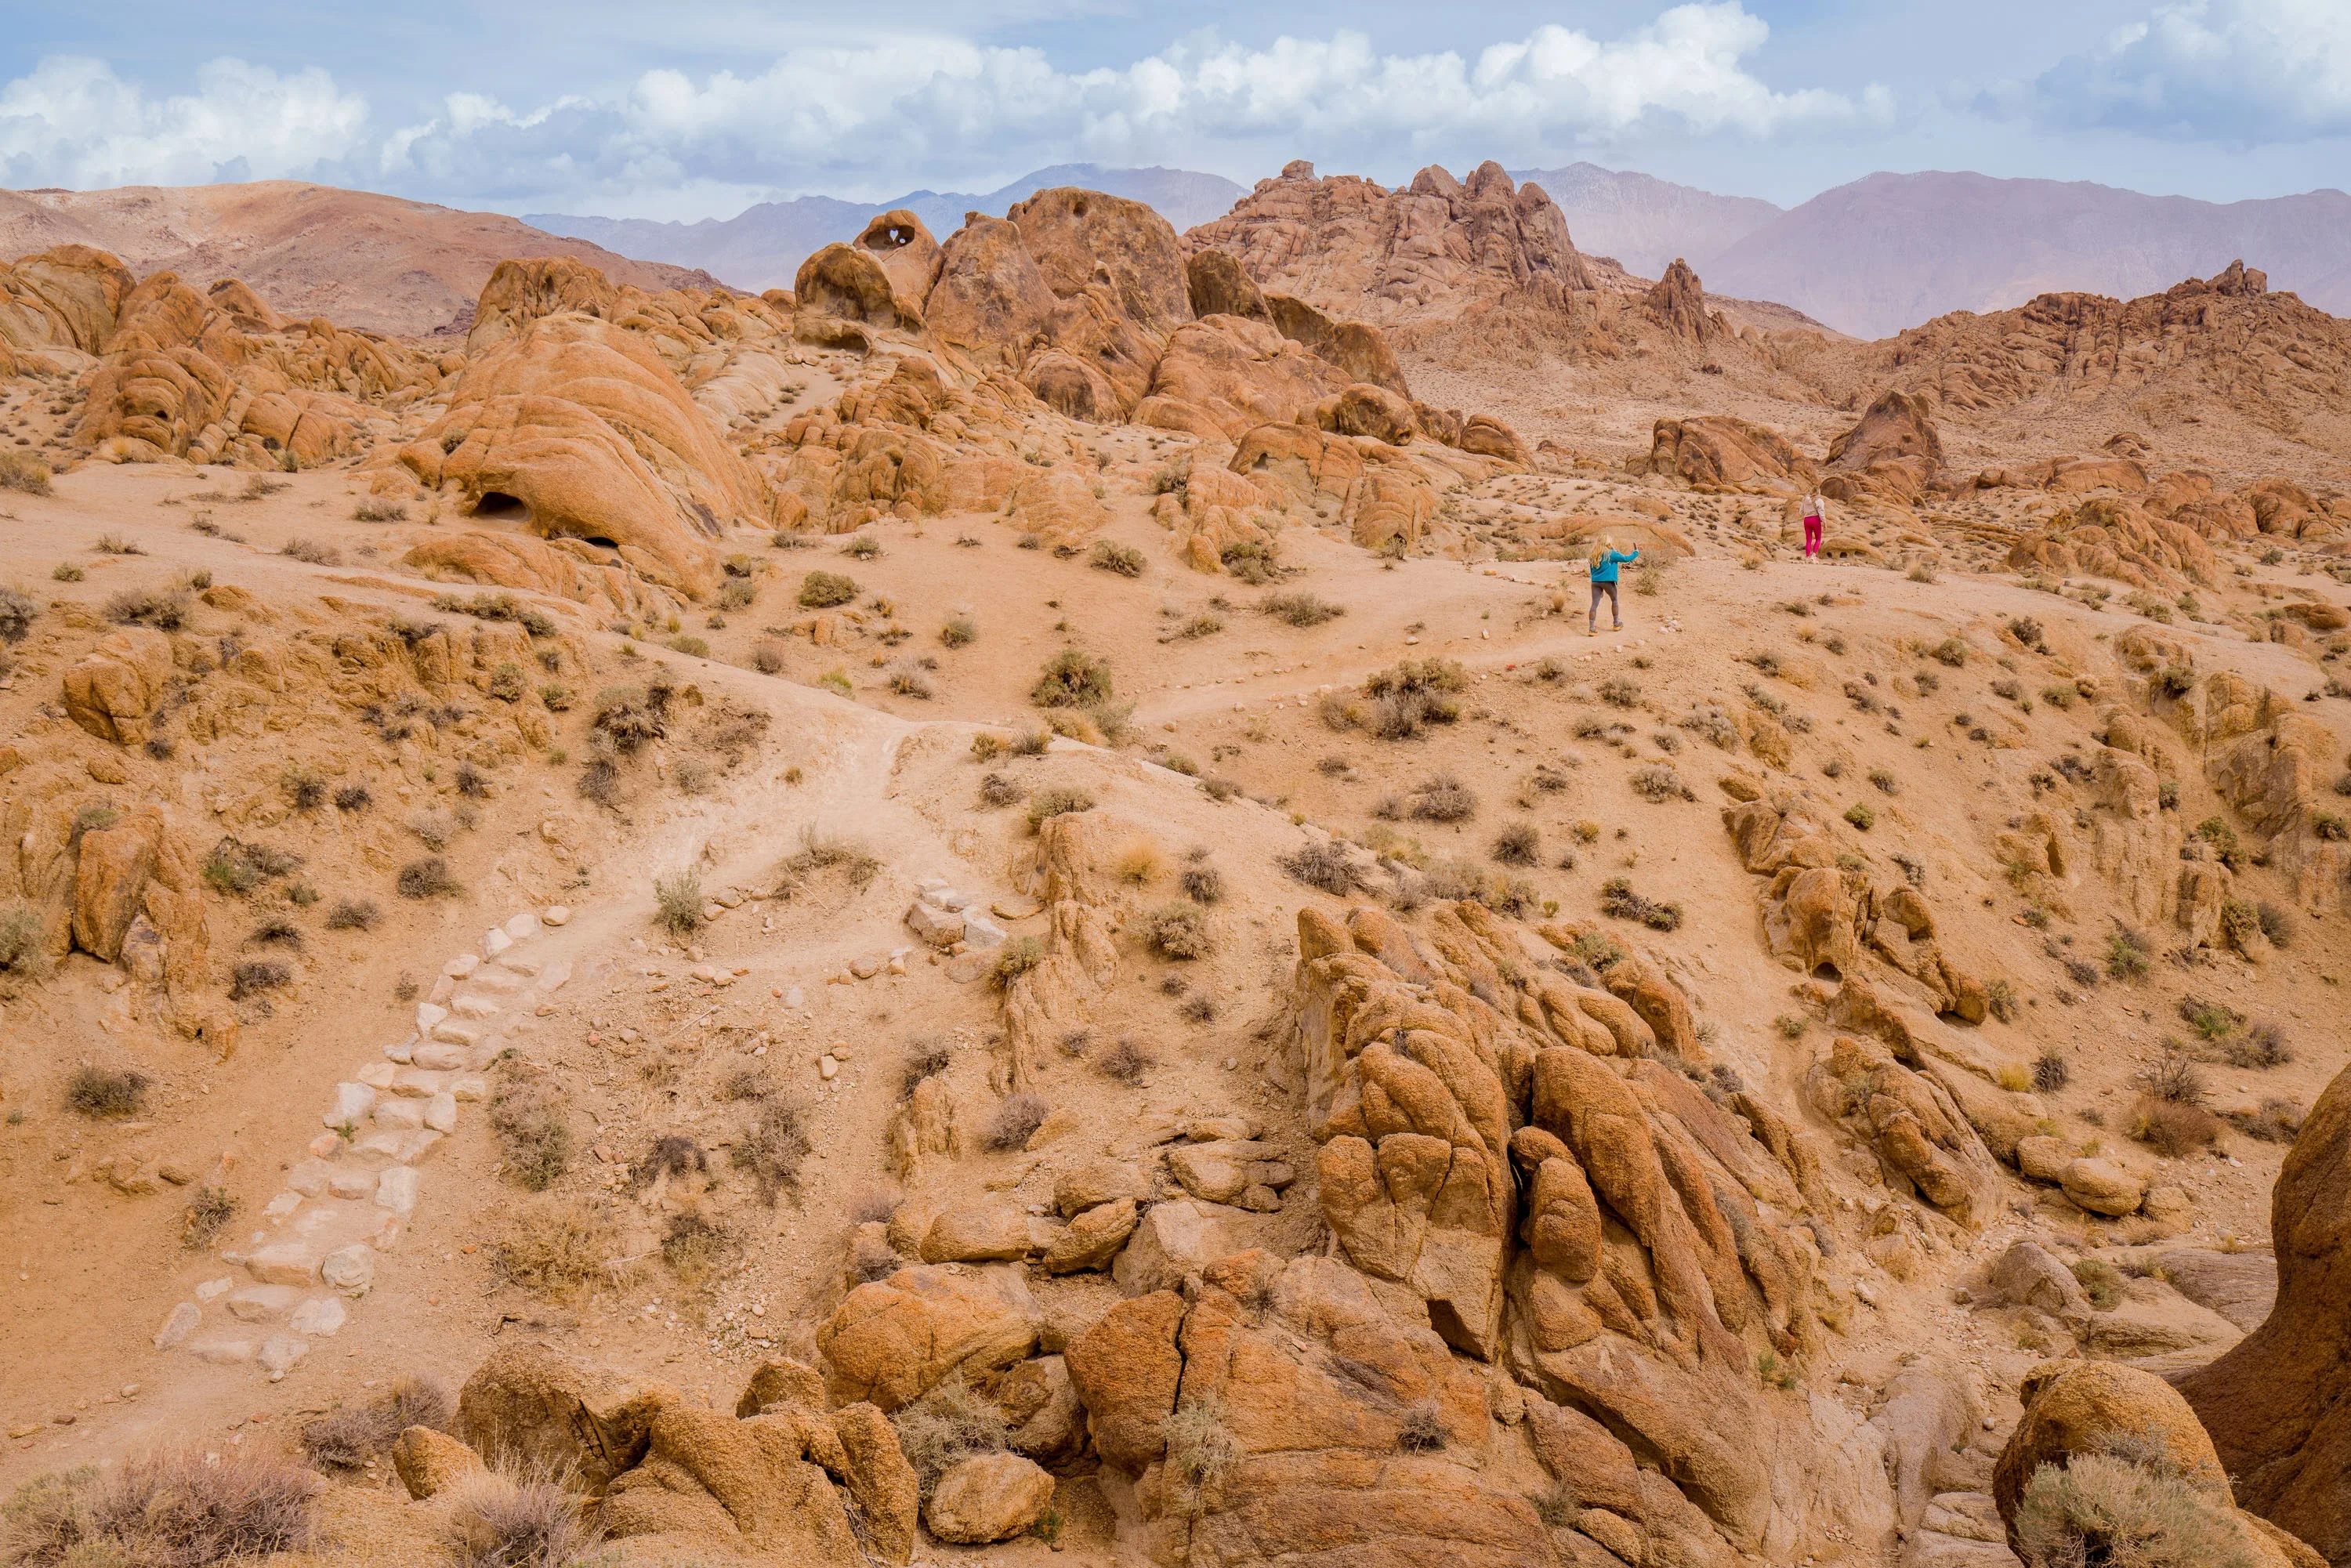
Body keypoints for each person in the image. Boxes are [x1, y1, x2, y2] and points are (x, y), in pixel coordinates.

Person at [1585, 536, 1640, 635]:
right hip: (1608, 581)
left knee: (1594, 604)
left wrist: (1596, 583)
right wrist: (1636, 552)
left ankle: (1592, 629)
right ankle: (1616, 624)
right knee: (1614, 600)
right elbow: (1626, 559)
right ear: (1608, 542)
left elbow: (1591, 570)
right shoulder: (1611, 553)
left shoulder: (1594, 554)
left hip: (1595, 582)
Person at [1802, 491, 1826, 561]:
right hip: (1815, 519)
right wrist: (1824, 522)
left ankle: (1807, 557)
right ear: (1818, 493)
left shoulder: (1805, 500)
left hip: (1806, 520)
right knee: (1818, 539)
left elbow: (1801, 511)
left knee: (1808, 540)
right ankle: (1814, 555)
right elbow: (1821, 512)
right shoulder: (1819, 501)